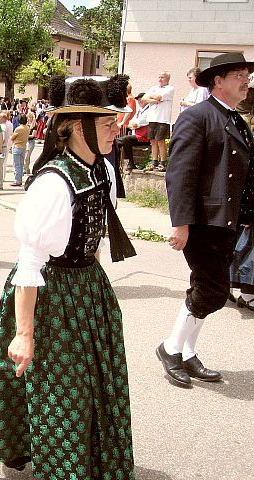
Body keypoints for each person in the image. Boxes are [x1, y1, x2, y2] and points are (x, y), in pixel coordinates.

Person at [0, 74, 136, 479]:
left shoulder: (103, 172)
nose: (117, 128)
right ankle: (49, 460)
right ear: (77, 127)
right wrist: (24, 332)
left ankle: (85, 455)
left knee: (88, 381)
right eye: (106, 123)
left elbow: (94, 236)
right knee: (58, 386)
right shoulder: (54, 184)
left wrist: (94, 287)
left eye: (114, 121)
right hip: (49, 291)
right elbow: (30, 263)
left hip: (87, 288)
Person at [158, 52, 254, 387]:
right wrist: (180, 223)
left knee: (207, 288)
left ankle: (186, 352)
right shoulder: (198, 116)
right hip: (202, 221)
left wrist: (248, 216)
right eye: (239, 74)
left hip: (226, 221)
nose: (245, 80)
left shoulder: (235, 118)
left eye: (246, 74)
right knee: (213, 291)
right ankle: (170, 348)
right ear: (218, 81)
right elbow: (180, 173)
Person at [143, 71, 175, 171]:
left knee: (160, 141)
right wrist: (154, 100)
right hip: (152, 118)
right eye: (159, 77)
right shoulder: (154, 88)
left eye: (162, 77)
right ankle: (154, 162)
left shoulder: (170, 89)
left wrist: (152, 97)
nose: (159, 79)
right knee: (152, 141)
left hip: (162, 118)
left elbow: (159, 97)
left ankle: (163, 163)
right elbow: (144, 99)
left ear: (167, 79)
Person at [117, 93, 150, 171]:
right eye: (138, 100)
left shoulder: (150, 110)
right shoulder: (140, 111)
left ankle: (129, 163)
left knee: (126, 140)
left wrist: (136, 124)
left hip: (145, 136)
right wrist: (134, 124)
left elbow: (141, 122)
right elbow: (131, 122)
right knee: (117, 142)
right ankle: (120, 163)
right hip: (138, 135)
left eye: (141, 99)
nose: (139, 101)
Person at [10, 114, 29, 187]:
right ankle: (19, 179)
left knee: (16, 165)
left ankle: (17, 180)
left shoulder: (18, 128)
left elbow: (12, 137)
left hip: (17, 146)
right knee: (21, 164)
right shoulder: (27, 128)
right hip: (23, 147)